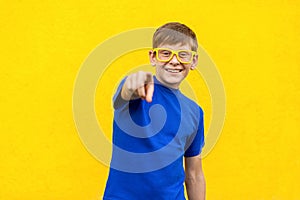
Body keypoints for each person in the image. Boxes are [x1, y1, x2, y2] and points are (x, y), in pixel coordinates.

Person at [103, 22, 206, 200]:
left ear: (193, 61)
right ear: (153, 57)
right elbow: (124, 94)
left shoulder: (195, 112)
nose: (174, 61)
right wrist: (134, 83)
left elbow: (194, 174)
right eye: (165, 53)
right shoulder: (137, 89)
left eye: (183, 55)